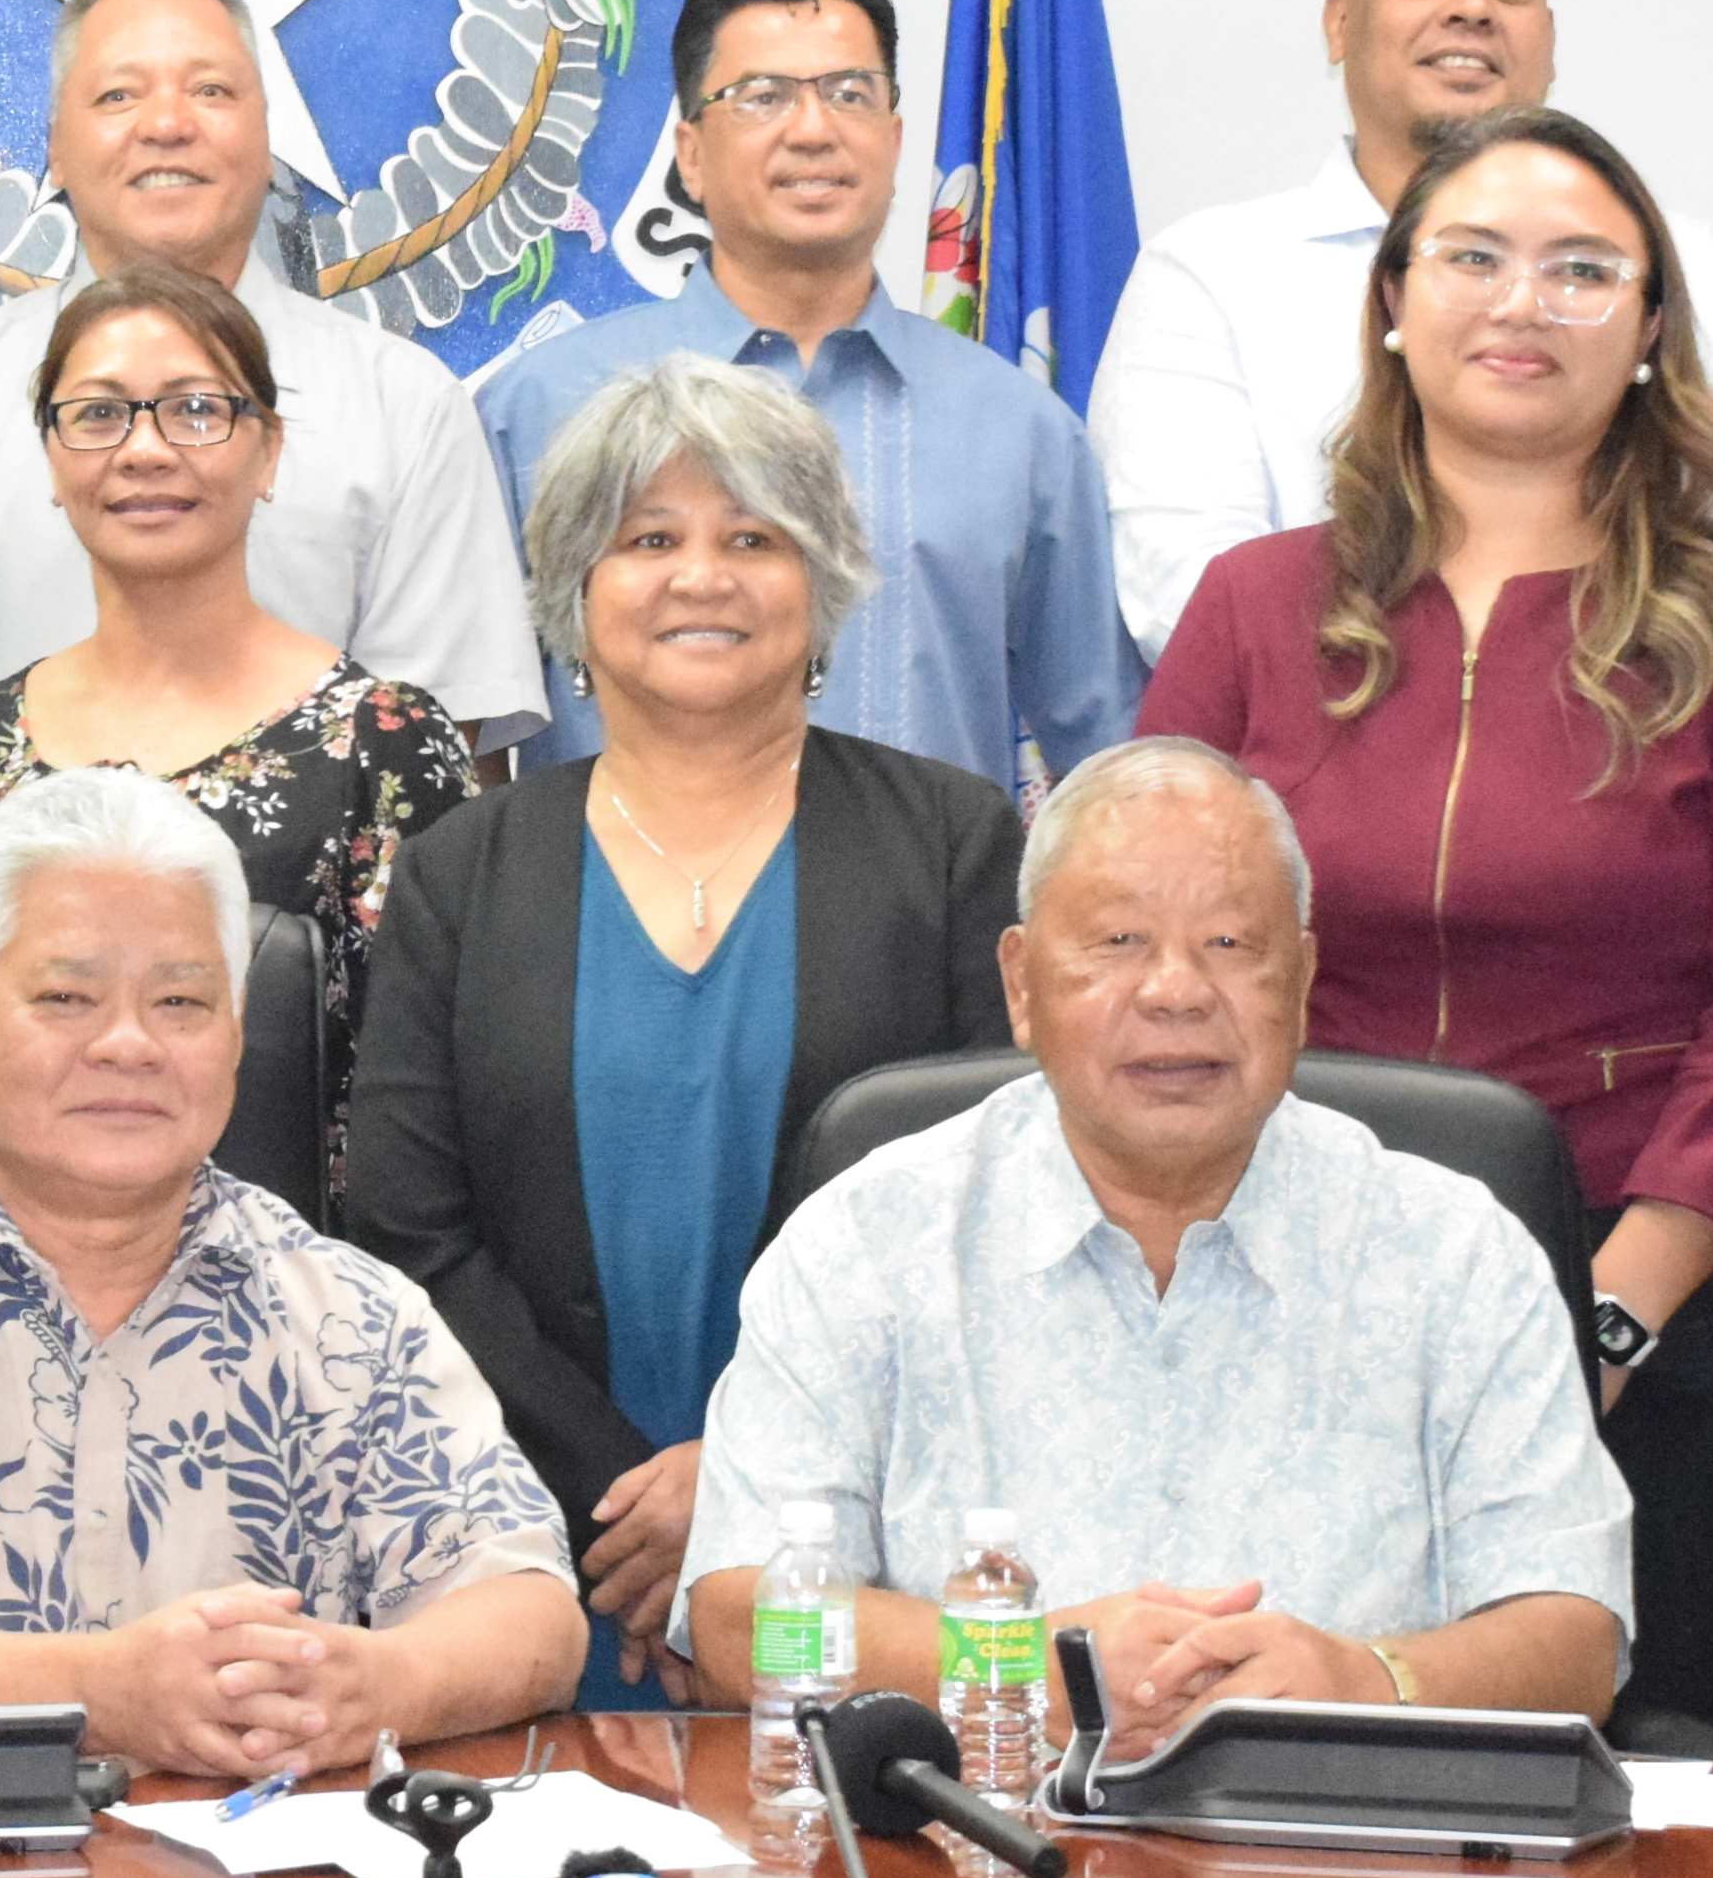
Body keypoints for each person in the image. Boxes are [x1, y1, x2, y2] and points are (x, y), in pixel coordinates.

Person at [1135, 107, 1713, 1751]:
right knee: (1287, 1815)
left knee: (1650, 1872)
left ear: (1652, 331)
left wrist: (1598, 1320)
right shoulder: (1254, 609)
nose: (1521, 304)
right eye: (1472, 258)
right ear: (1395, 304)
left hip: (1668, 1335)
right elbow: (1142, 964)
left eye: (1580, 270)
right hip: (1302, 1315)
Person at [678, 740, 1630, 1749]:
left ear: (1301, 980)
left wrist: (1365, 1677)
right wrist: (1026, 1663)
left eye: (1230, 943)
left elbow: (1577, 1638)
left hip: (1346, 1867)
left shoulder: (1455, 1252)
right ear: (1021, 983)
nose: (1176, 990)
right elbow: (739, 1622)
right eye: (1121, 939)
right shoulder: (866, 1240)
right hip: (968, 1867)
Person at [0, 763, 587, 1773]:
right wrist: (102, 1695)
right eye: (67, 995)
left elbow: (534, 1612)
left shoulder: (349, 1313)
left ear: (237, 1035)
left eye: (181, 1000)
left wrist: (371, 1688)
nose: (129, 1043)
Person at [348, 360, 1024, 1710]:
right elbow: (406, 1230)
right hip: (543, 1553)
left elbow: (992, 1215)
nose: (700, 576)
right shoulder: (462, 870)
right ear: (574, 601)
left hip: (854, 1551)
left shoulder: (955, 844)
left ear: (820, 587)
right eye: (648, 539)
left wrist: (743, 1476)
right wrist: (627, 1504)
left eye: (753, 539)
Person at [0, 0, 545, 795]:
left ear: (269, 140)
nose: (166, 124)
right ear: (57, 151)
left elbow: (442, 753)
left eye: (211, 91)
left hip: (308, 921)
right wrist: (73, 894)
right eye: (118, 95)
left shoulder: (407, 407)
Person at [1084, 0, 1713, 646]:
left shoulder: (1684, 265)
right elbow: (1192, 610)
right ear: (1340, 24)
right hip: (1311, 756)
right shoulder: (1211, 272)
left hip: (1635, 736)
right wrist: (1458, 712)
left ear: (1549, 38)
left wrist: (1556, 713)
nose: (1471, 8)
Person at [469, 0, 1139, 787]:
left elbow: (1109, 754)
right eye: (762, 97)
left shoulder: (1020, 430)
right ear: (691, 153)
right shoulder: (540, 408)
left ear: (894, 141)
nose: (814, 129)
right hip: (609, 912)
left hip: (939, 916)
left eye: (850, 94)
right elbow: (472, 739)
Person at [0, 259, 480, 1166]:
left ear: (269, 452)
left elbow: (434, 1091)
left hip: (292, 1280)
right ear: (50, 457)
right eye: (99, 414)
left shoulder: (385, 747)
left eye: (196, 409)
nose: (145, 450)